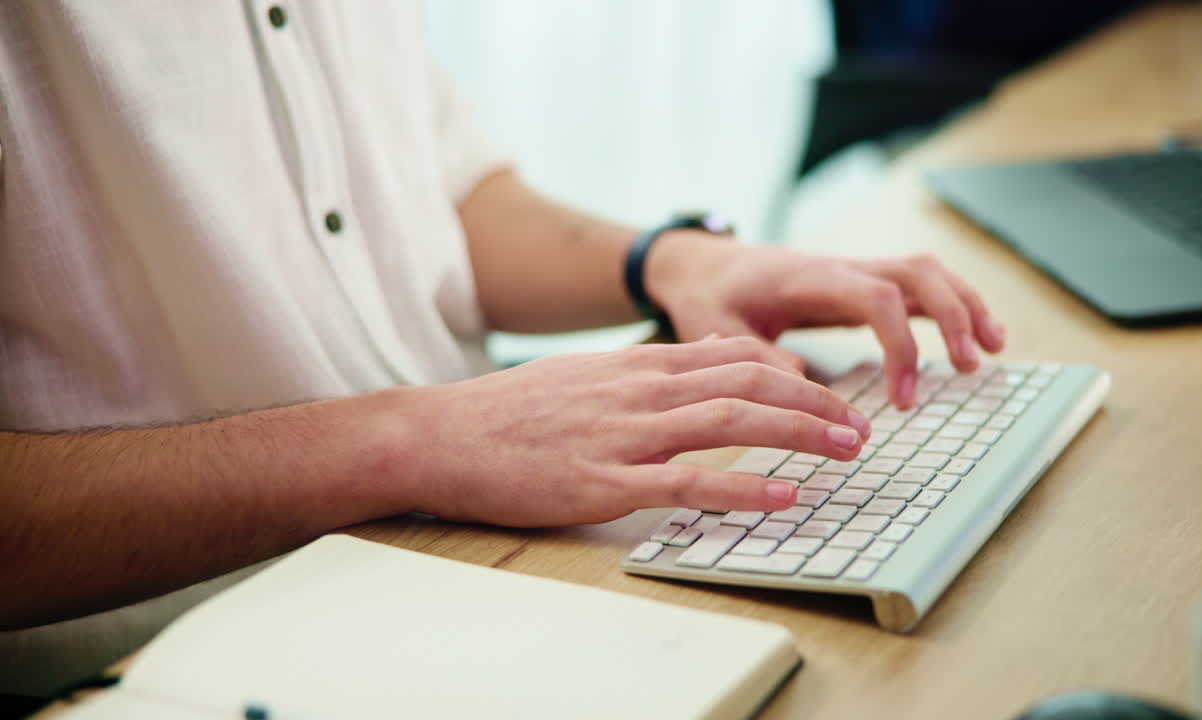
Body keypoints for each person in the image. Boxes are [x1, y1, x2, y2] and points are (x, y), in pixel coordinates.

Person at [0, 2, 1005, 696]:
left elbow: (437, 198)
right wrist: (412, 442)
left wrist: (668, 261)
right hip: (156, 664)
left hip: (464, 563)